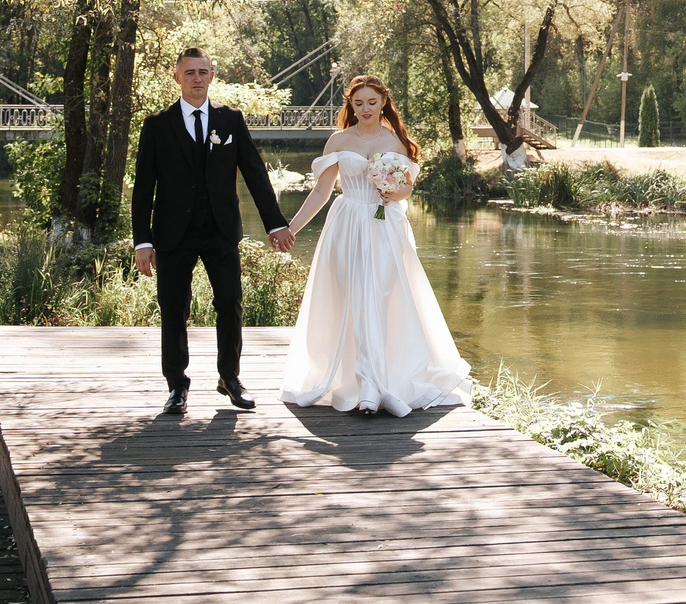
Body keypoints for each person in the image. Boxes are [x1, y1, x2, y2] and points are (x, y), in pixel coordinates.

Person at [274, 75, 471, 415]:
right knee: (349, 297)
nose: (365, 109)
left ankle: (373, 385)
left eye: (371, 102)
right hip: (347, 223)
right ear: (351, 106)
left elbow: (407, 188)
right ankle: (354, 381)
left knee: (380, 296)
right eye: (358, 103)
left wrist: (394, 192)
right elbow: (321, 191)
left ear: (383, 104)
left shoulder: (396, 141)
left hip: (384, 225)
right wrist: (291, 228)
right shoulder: (338, 140)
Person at [130, 48, 287, 415]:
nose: (197, 78)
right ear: (177, 78)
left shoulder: (230, 120)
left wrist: (275, 223)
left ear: (212, 76)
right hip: (173, 233)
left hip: (221, 230)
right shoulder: (157, 125)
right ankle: (177, 385)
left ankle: (229, 378)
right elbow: (143, 187)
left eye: (203, 72)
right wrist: (143, 240)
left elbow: (254, 173)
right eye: (189, 73)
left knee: (230, 302)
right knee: (174, 308)